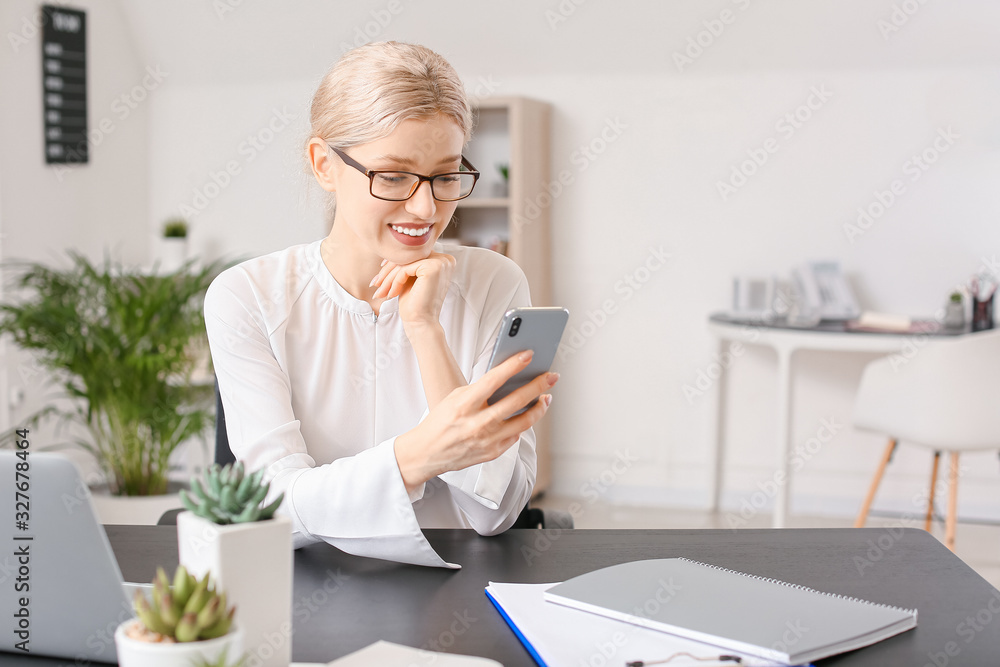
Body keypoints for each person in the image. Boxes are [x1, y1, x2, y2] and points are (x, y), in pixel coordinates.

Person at [203, 41, 557, 568]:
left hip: (460, 589)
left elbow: (496, 513)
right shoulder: (247, 295)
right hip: (301, 590)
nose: (426, 207)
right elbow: (272, 509)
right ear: (325, 164)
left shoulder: (494, 282)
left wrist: (424, 328)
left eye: (445, 175)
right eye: (392, 176)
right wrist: (421, 455)